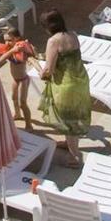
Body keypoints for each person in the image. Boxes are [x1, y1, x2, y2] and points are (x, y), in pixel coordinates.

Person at [36, 9, 91, 168]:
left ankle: (75, 157)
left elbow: (49, 71)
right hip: (80, 79)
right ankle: (69, 144)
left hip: (66, 85)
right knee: (75, 114)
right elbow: (67, 57)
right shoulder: (73, 35)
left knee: (68, 121)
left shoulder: (53, 41)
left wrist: (37, 66)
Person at [0, 28, 35, 128]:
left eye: (10, 40)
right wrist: (11, 50)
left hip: (23, 80)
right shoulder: (10, 50)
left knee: (22, 103)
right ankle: (18, 114)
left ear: (17, 38)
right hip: (15, 79)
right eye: (5, 40)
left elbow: (31, 54)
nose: (7, 42)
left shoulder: (21, 49)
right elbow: (1, 59)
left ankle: (29, 125)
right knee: (14, 98)